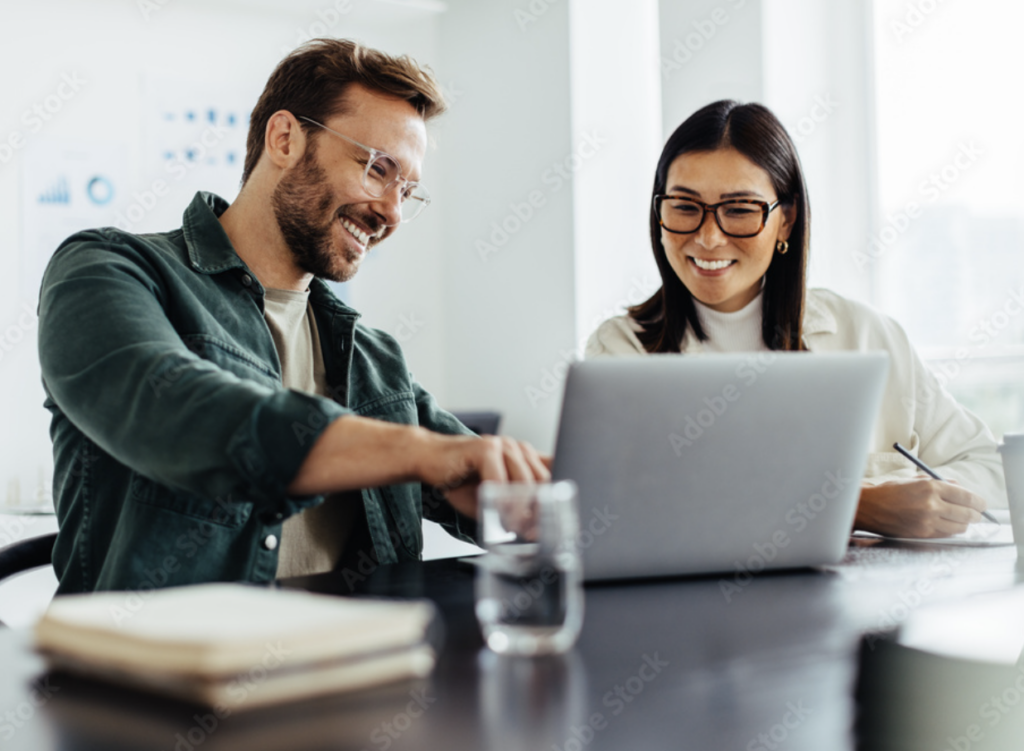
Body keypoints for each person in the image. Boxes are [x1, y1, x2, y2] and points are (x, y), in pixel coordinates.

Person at [38, 39, 548, 595]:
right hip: (166, 672)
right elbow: (179, 410)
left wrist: (537, 492)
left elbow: (471, 470)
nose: (392, 213)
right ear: (284, 139)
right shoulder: (108, 269)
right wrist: (422, 453)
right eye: (378, 169)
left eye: (408, 191)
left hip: (363, 665)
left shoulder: (373, 357)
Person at [585, 99, 1005, 539]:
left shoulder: (865, 334)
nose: (708, 237)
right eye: (685, 207)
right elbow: (619, 506)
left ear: (785, 221)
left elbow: (991, 469)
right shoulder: (620, 351)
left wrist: (915, 499)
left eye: (740, 210)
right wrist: (856, 505)